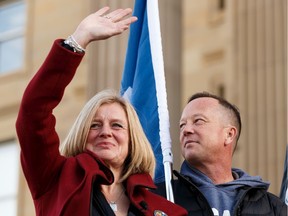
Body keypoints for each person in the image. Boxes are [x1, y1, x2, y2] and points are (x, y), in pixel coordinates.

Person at [16, 6, 188, 216]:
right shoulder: (56, 179)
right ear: (82, 133)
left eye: (116, 125)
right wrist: (78, 40)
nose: (106, 132)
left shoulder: (165, 209)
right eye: (95, 125)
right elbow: (33, 113)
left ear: (132, 138)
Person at [155, 92, 287, 215]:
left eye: (198, 121)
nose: (186, 130)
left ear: (229, 135)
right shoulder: (160, 198)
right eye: (182, 125)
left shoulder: (274, 208)